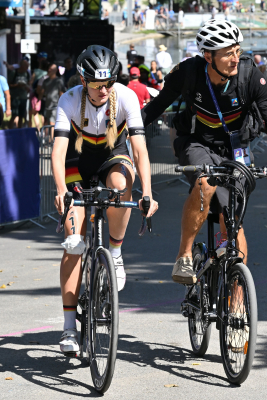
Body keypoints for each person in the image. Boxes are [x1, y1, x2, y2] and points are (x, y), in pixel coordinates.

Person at [142, 19, 267, 285]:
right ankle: (184, 255)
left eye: (237, 50)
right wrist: (123, 134)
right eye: (228, 53)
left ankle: (238, 305)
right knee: (205, 183)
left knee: (232, 220)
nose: (235, 58)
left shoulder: (249, 75)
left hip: (236, 149)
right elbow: (155, 107)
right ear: (208, 56)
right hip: (196, 142)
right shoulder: (189, 73)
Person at [51, 45, 158, 354]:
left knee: (121, 183)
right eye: (96, 84)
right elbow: (58, 153)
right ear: (83, 81)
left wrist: (148, 193)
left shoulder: (125, 97)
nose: (103, 90)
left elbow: (140, 151)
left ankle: (115, 250)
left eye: (108, 83)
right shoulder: (69, 100)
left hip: (114, 156)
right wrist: (61, 190)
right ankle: (69, 328)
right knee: (74, 243)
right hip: (77, 162)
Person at [38, 63, 66, 128]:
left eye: (51, 69)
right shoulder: (45, 81)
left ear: (55, 70)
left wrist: (62, 105)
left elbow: (61, 93)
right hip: (47, 105)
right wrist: (38, 102)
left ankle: (52, 138)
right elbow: (41, 92)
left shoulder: (59, 81)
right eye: (49, 69)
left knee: (52, 123)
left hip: (55, 106)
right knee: (47, 123)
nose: (49, 70)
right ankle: (49, 137)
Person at [8, 59, 31, 128]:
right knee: (14, 115)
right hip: (15, 97)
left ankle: (20, 130)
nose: (27, 68)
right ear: (21, 66)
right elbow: (8, 85)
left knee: (21, 115)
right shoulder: (14, 73)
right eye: (25, 67)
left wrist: (28, 88)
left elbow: (29, 84)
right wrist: (17, 85)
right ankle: (10, 130)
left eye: (27, 67)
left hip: (23, 97)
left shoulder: (27, 73)